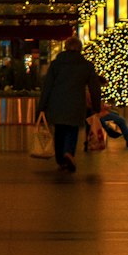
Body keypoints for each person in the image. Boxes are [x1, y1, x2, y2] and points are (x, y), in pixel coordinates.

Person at [36, 35, 101, 172]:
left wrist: (41, 107)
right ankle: (68, 153)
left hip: (56, 104)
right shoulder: (87, 66)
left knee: (59, 131)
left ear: (65, 48)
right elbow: (94, 87)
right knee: (72, 130)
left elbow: (47, 86)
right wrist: (96, 106)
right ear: (80, 49)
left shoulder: (56, 64)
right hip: (76, 104)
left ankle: (61, 160)